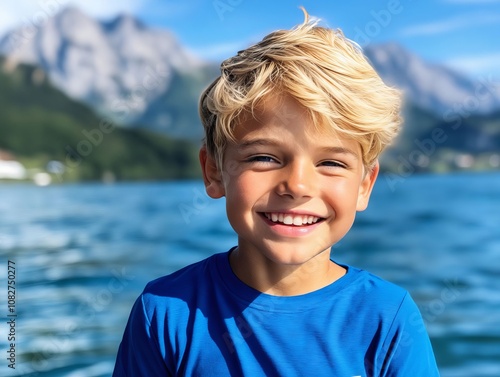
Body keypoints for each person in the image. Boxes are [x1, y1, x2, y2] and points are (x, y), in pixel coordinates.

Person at [113, 8, 440, 376]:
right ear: (214, 171)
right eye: (265, 157)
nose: (298, 186)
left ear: (364, 185)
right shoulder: (164, 312)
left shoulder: (388, 318)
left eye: (331, 163)